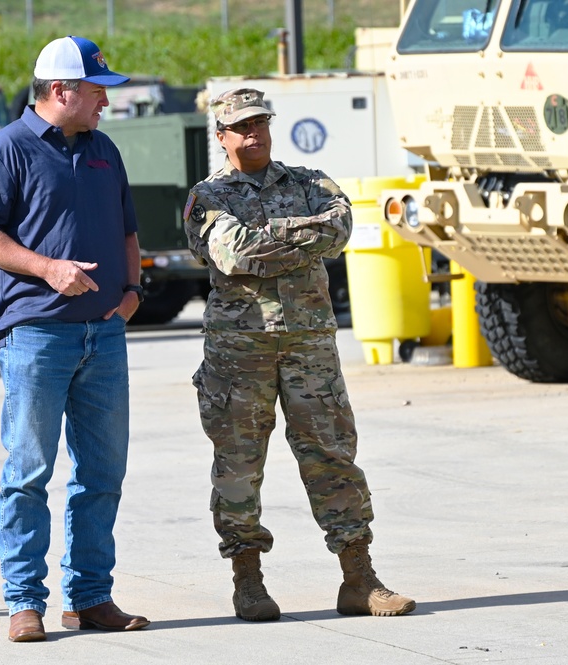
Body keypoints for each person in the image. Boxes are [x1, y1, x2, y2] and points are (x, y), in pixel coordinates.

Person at [183, 88, 416, 622]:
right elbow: (233, 253)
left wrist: (270, 238)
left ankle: (360, 579)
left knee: (333, 458)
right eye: (242, 127)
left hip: (309, 349)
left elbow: (339, 231)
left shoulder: (311, 182)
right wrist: (297, 238)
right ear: (221, 137)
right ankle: (248, 581)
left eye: (261, 122)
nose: (255, 133)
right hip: (239, 356)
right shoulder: (207, 198)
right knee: (239, 468)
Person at [0, 35, 149, 643]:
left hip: (105, 336)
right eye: (97, 90)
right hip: (36, 335)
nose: (105, 101)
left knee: (101, 473)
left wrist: (131, 294)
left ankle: (91, 597)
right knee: (28, 472)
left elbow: (127, 230)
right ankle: (24, 602)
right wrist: (47, 268)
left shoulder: (104, 150)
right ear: (61, 91)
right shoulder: (5, 150)